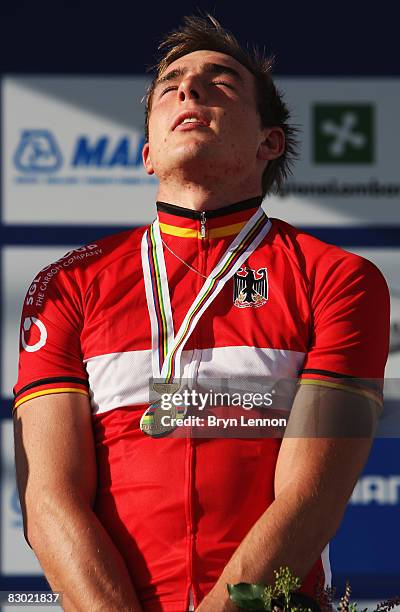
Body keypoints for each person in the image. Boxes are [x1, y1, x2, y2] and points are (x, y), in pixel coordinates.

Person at [13, 14, 390, 612]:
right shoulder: (67, 284)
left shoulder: (340, 279)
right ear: (146, 153)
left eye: (221, 83)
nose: (188, 90)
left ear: (270, 141)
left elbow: (312, 497)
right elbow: (47, 498)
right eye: (171, 86)